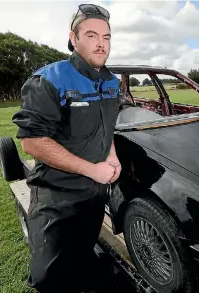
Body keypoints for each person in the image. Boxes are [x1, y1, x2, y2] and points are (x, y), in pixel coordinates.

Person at [11, 4, 121, 293]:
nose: (101, 43)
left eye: (107, 37)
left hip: (95, 193)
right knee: (49, 277)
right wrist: (92, 169)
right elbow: (32, 141)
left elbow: (106, 126)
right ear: (74, 39)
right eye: (92, 35)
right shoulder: (49, 79)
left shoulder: (111, 82)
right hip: (56, 196)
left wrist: (111, 155)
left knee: (83, 253)